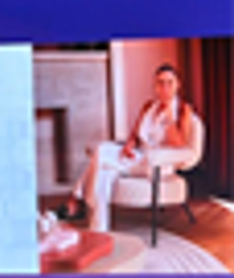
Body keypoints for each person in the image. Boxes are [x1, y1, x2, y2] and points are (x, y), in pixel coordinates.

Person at [56, 63, 203, 232]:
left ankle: (77, 200)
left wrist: (169, 118)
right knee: (103, 164)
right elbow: (135, 134)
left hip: (157, 165)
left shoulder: (183, 110)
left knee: (102, 160)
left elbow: (179, 145)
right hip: (137, 157)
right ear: (155, 86)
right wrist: (128, 146)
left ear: (178, 85)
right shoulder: (149, 106)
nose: (165, 88)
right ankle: (99, 229)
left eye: (170, 82)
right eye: (160, 83)